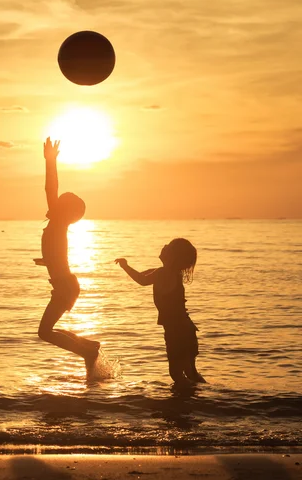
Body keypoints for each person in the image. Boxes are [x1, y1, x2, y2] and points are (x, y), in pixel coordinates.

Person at [34, 137, 100, 370]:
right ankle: (89, 346)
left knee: (44, 331)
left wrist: (50, 161)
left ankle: (87, 352)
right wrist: (47, 261)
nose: (53, 203)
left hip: (65, 286)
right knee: (48, 328)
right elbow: (58, 256)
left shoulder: (59, 223)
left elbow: (50, 188)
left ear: (63, 210)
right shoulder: (56, 227)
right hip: (65, 284)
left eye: (58, 203)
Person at [115, 238, 205, 384]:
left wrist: (125, 266)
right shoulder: (168, 272)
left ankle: (186, 402)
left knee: (176, 374)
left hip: (176, 331)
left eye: (168, 246)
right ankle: (202, 399)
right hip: (186, 328)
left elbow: (142, 280)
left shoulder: (163, 273)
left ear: (173, 256)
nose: (164, 246)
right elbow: (142, 276)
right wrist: (128, 268)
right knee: (190, 372)